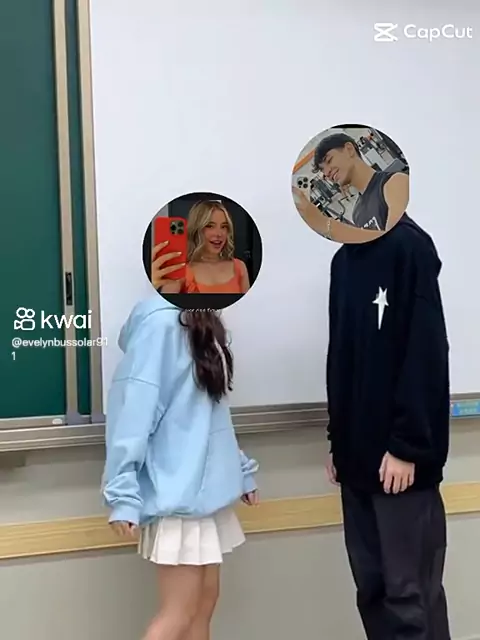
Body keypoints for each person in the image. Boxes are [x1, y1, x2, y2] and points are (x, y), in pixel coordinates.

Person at [102, 295, 259, 640]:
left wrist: (240, 469)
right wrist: (123, 492)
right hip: (177, 491)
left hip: (207, 493)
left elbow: (211, 413)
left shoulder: (204, 319)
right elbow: (132, 414)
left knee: (203, 605)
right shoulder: (160, 325)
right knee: (179, 613)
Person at [325, 212, 451, 639]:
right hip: (356, 463)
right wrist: (338, 442)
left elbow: (425, 351)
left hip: (400, 463)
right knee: (372, 591)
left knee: (409, 598)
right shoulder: (345, 259)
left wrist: (407, 445)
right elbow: (341, 356)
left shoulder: (409, 246)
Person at [292, 132, 408, 241]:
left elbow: (398, 242)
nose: (327, 172)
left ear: (349, 149)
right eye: (323, 170)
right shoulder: (357, 214)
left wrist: (325, 224)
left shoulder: (394, 182)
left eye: (329, 160)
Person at [152, 200, 250, 294]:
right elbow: (165, 303)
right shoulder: (182, 270)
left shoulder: (239, 267)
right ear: (196, 229)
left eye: (224, 226)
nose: (219, 234)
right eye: (210, 226)